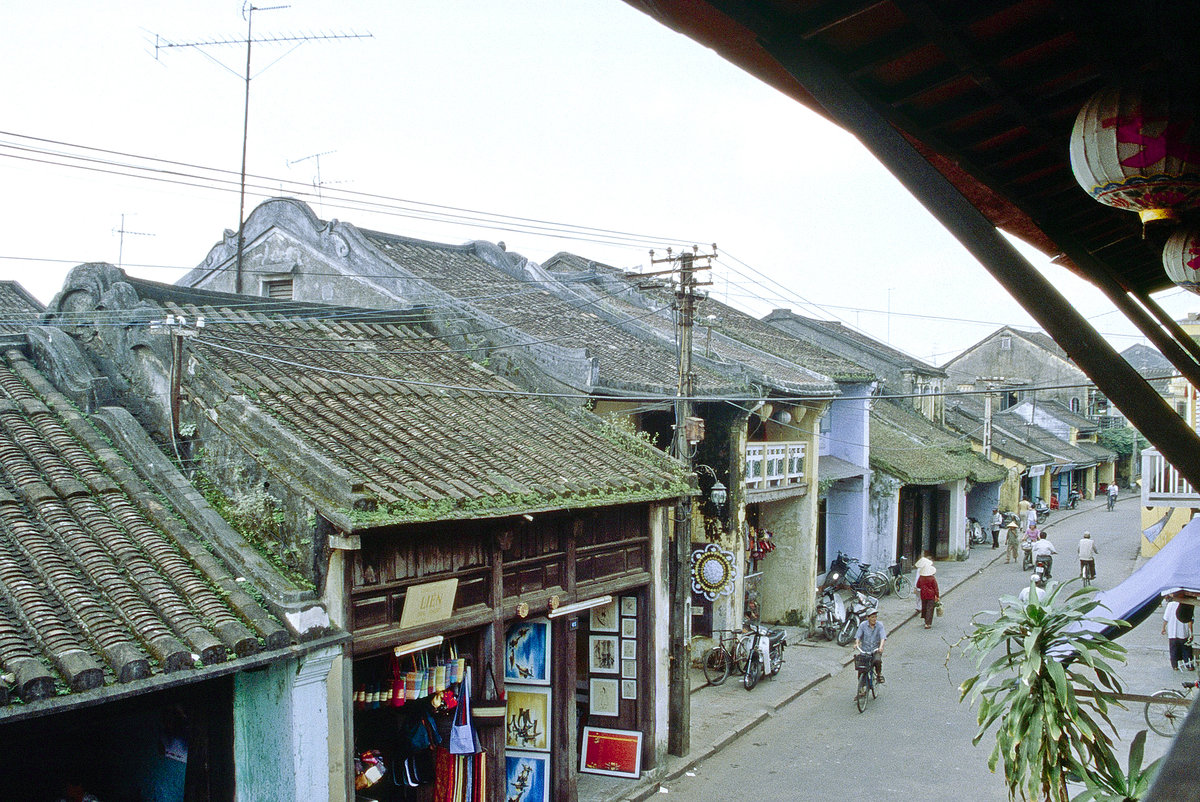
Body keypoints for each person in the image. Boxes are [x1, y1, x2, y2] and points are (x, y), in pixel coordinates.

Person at [854, 608, 886, 684]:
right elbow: (858, 636)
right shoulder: (863, 625)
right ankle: (861, 688)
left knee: (877, 660)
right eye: (872, 617)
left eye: (875, 617)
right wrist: (857, 643)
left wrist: (881, 647)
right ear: (867, 618)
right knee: (861, 668)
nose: (874, 619)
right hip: (865, 650)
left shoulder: (880, 625)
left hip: (875, 649)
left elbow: (883, 637)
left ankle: (879, 674)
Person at [1162, 599, 1194, 670]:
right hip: (1183, 632)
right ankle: (1189, 665)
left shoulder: (1170, 605)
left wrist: (1163, 628)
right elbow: (1190, 621)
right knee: (1186, 649)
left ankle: (1175, 666)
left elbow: (1166, 618)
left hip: (1172, 632)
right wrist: (1191, 633)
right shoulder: (1188, 605)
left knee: (1173, 649)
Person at [916, 561, 939, 628]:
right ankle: (927, 623)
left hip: (923, 594)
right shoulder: (932, 578)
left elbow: (918, 585)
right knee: (930, 608)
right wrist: (937, 595)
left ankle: (925, 619)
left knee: (925, 607)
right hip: (931, 595)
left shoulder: (921, 577)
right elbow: (936, 588)